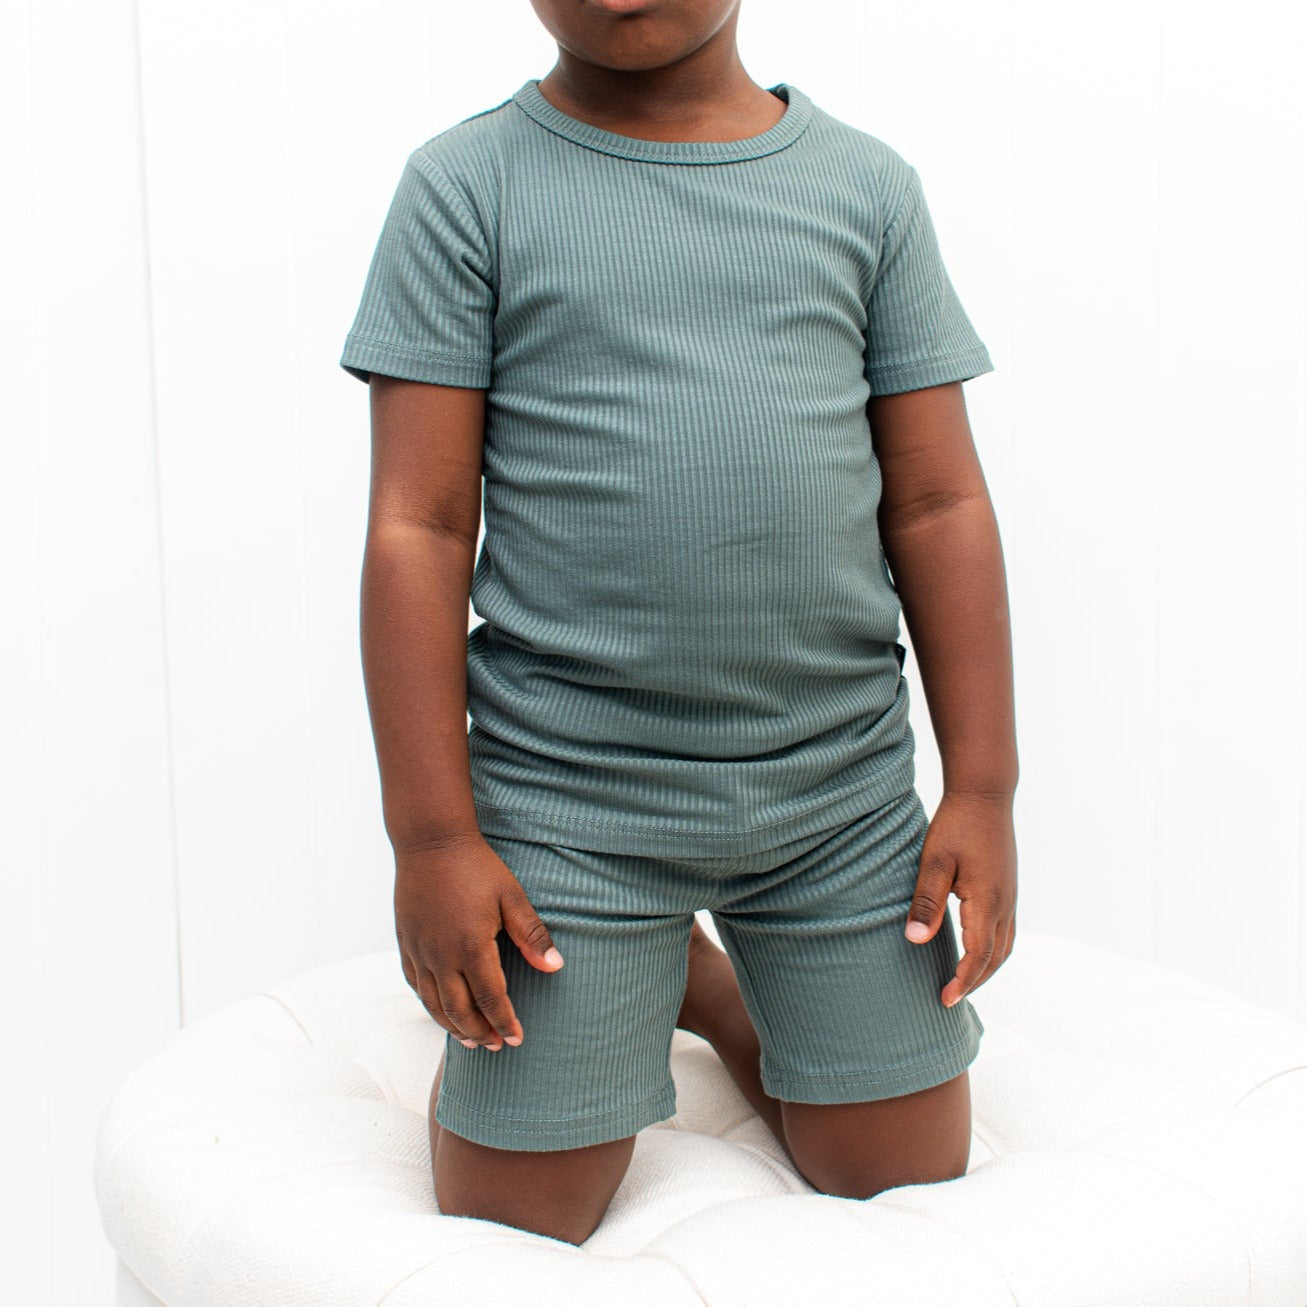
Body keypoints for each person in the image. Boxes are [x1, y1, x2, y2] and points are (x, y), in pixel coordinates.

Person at [339, 0, 1018, 1247]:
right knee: (517, 1214)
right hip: (568, 797)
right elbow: (418, 527)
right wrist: (430, 837)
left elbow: (937, 501)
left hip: (834, 794)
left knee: (898, 1169)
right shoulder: (466, 188)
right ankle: (658, 969)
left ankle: (715, 989)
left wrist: (982, 785)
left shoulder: (864, 189)